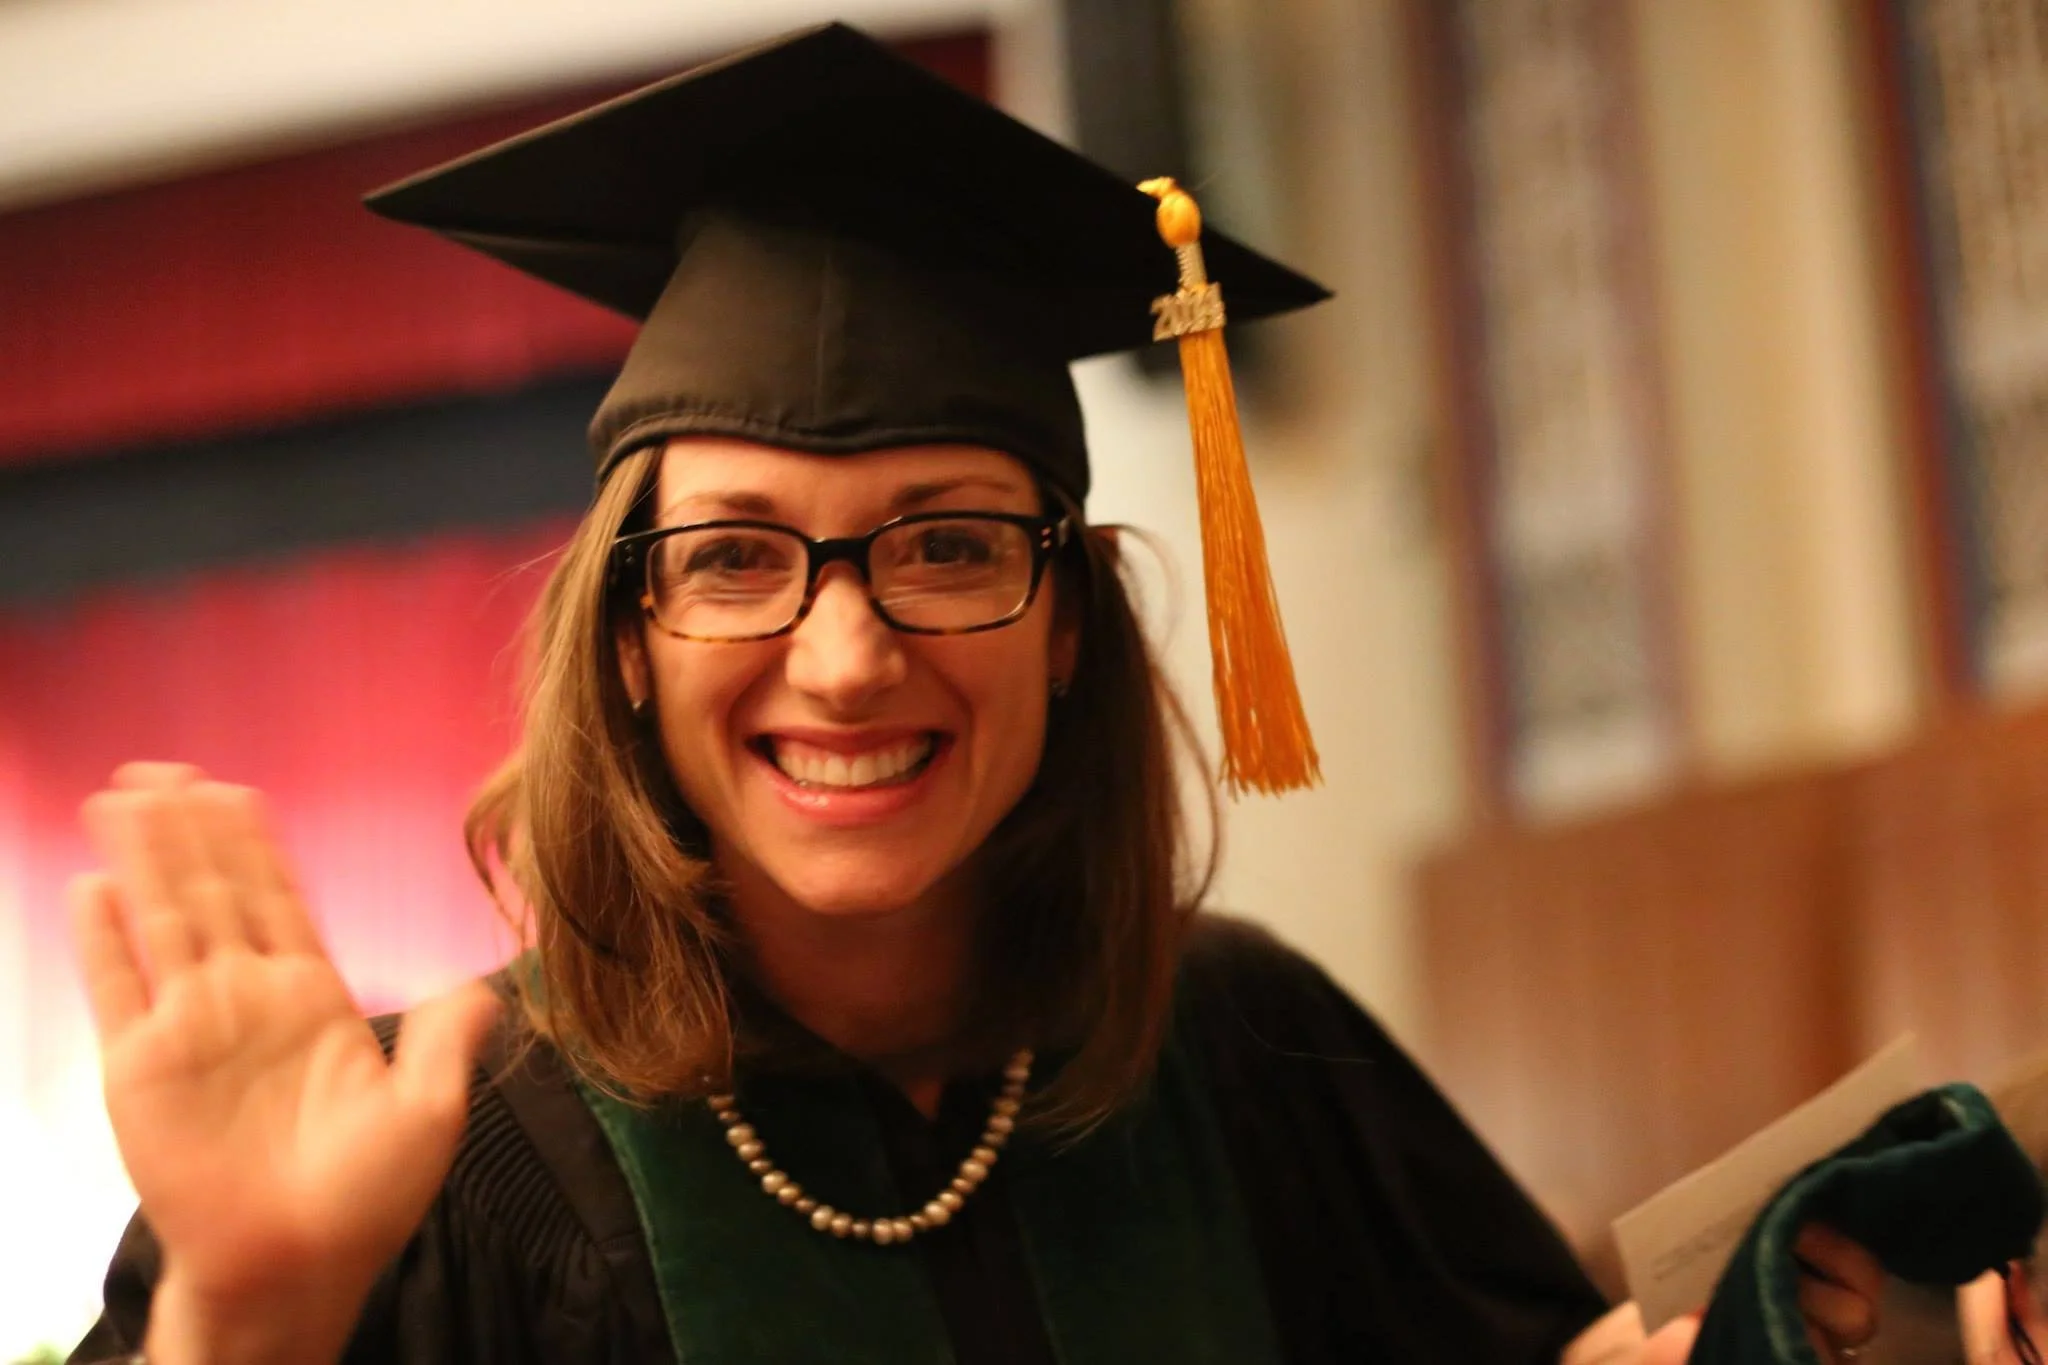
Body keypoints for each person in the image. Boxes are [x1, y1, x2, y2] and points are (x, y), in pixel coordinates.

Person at [56, 22, 2019, 1365]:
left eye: (944, 541)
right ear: (625, 643)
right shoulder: (421, 1161)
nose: (846, 653)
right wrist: (246, 1320)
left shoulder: (1244, 1057)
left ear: (1067, 622)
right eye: (736, 553)